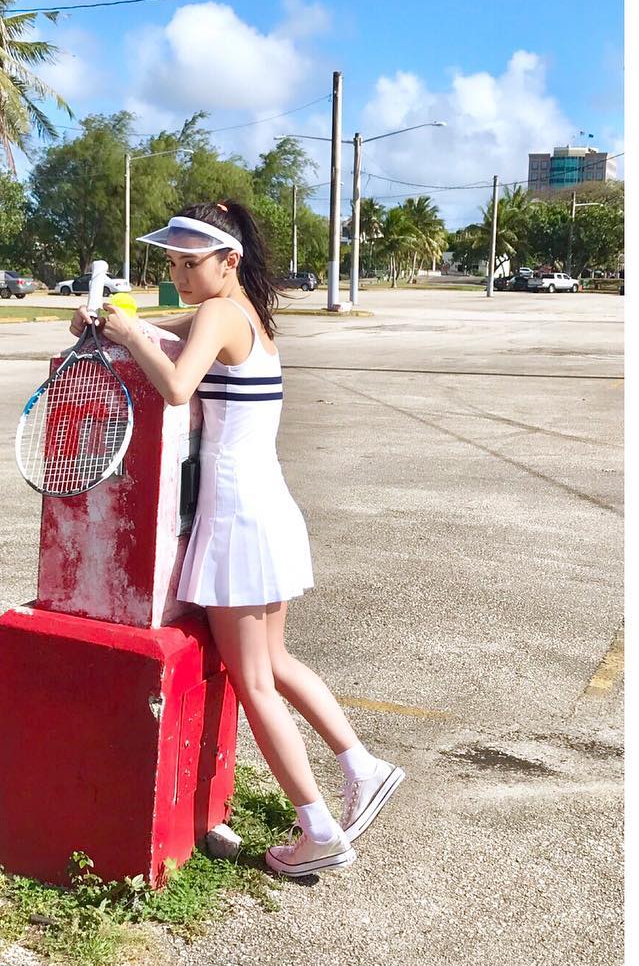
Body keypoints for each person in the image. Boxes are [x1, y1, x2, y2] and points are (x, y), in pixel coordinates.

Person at [70, 201, 405, 878]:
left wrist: (128, 333)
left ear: (229, 259)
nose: (178, 276)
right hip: (264, 506)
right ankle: (362, 768)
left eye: (189, 263)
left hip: (238, 516)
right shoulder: (240, 312)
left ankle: (319, 830)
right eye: (171, 263)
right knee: (274, 662)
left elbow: (175, 386)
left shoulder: (220, 313)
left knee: (254, 681)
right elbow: (167, 331)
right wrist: (114, 324)